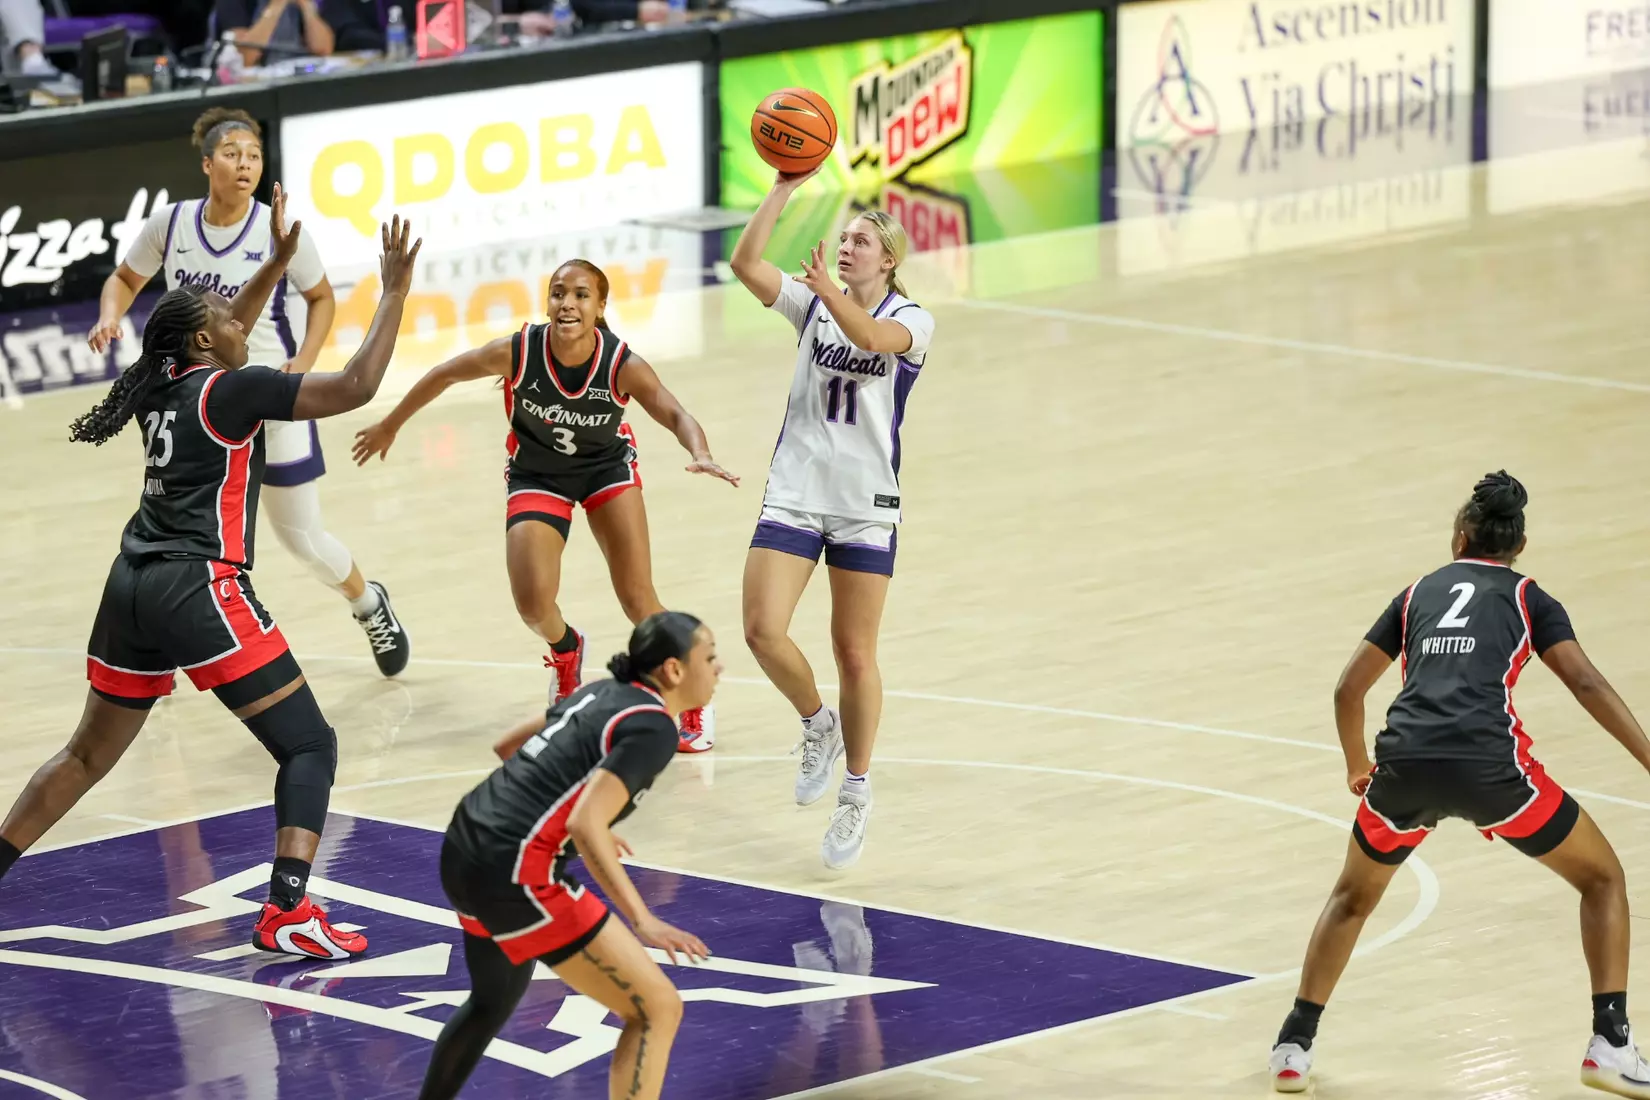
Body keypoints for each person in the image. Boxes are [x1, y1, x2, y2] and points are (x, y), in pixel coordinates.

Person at [0, 192, 421, 960]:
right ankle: (287, 910)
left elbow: (219, 326)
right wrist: (393, 291)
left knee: (86, 756)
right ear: (206, 338)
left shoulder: (158, 385)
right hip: (200, 587)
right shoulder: (235, 390)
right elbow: (357, 387)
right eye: (231, 321)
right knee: (310, 747)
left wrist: (277, 266)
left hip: (131, 584)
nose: (245, 325)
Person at [1269, 471, 1650, 1098]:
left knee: (1351, 899)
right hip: (1494, 774)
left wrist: (1355, 765)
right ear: (1517, 546)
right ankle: (1610, 1040)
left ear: (1459, 537)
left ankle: (1294, 1047)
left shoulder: (1417, 593)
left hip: (1403, 767)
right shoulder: (1530, 598)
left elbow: (1348, 689)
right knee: (1603, 878)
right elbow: (1586, 684)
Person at [351, 260, 736, 751]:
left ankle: (693, 698)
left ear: (599, 308)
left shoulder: (620, 363)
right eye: (558, 293)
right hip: (538, 473)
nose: (567, 303)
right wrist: (391, 424)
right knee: (532, 603)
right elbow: (445, 372)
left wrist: (700, 453)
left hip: (605, 470)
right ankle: (566, 650)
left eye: (580, 295)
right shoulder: (519, 350)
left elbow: (675, 411)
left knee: (638, 599)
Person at [89, 108, 410, 679]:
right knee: (178, 530)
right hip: (196, 398)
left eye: (255, 155)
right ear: (208, 163)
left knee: (302, 537)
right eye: (233, 154)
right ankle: (157, 651)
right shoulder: (173, 222)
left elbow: (320, 297)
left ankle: (368, 602)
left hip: (265, 393)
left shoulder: (276, 228)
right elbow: (123, 278)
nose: (245, 164)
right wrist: (110, 317)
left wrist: (304, 361)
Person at [417, 611, 717, 1100]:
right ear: (674, 670)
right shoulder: (655, 728)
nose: (719, 669)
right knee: (656, 1009)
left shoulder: (600, 690)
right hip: (513, 871)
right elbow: (585, 822)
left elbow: (509, 745)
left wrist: (568, 823)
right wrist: (644, 920)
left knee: (493, 1000)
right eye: (709, 657)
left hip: (464, 845)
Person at [728, 170, 935, 870]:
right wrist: (785, 187)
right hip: (796, 488)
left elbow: (874, 338)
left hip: (864, 504)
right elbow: (745, 264)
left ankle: (856, 793)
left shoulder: (914, 319)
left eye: (862, 242)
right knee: (761, 629)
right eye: (843, 237)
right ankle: (818, 724)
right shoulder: (815, 304)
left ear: (890, 259)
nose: (847, 247)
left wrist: (823, 292)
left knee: (855, 652)